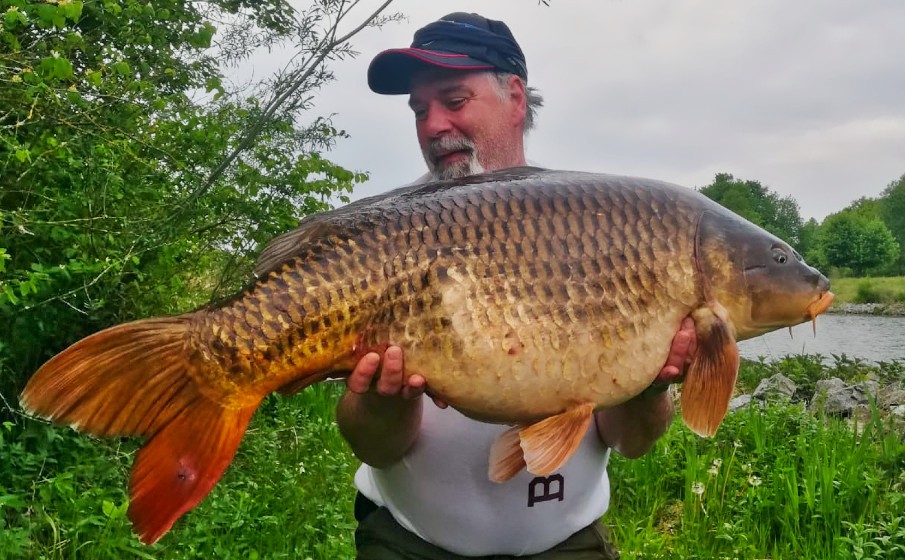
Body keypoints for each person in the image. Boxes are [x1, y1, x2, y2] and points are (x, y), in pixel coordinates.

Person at [336, 13, 696, 559]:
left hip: (567, 545)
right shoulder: (388, 239)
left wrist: (650, 385)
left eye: (453, 101)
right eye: (419, 109)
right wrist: (383, 401)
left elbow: (632, 441)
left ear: (516, 98)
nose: (433, 125)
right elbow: (375, 448)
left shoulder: (599, 227)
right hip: (409, 542)